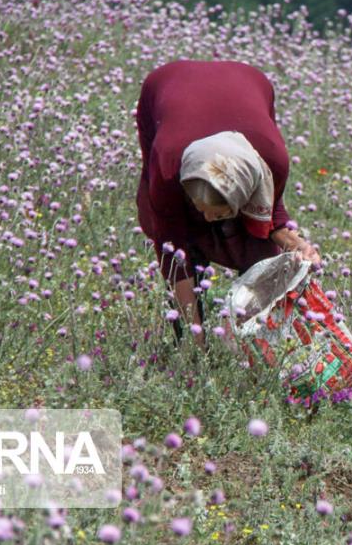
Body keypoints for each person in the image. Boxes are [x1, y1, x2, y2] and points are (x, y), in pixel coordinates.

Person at [135, 60, 320, 344]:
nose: (208, 220)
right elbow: (171, 245)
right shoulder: (168, 169)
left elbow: (270, 211)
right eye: (200, 209)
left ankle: (255, 336)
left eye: (218, 214)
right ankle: (187, 329)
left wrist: (298, 248)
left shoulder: (272, 160)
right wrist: (195, 340)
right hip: (166, 86)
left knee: (258, 247)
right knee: (181, 239)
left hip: (249, 83)